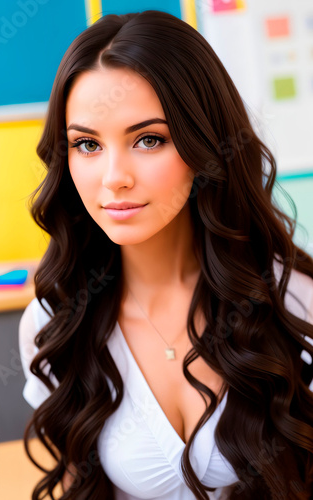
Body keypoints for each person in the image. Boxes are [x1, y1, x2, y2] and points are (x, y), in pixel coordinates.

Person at [18, 9, 313, 500]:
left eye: (148, 139)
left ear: (205, 147)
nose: (114, 177)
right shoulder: (54, 325)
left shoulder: (294, 303)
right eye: (87, 144)